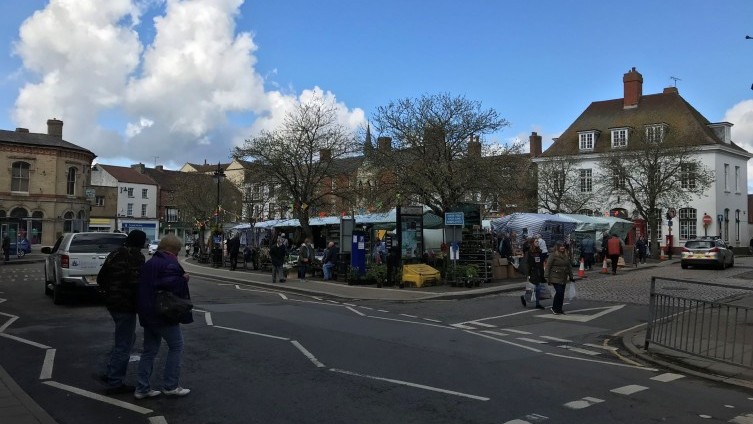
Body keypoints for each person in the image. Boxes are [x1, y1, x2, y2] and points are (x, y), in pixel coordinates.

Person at [135, 234, 192, 399]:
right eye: (178, 250)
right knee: (176, 346)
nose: (178, 254)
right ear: (172, 250)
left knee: (149, 351)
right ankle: (171, 385)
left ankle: (142, 388)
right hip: (163, 313)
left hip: (147, 312)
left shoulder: (150, 263)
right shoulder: (169, 263)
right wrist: (184, 279)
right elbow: (171, 287)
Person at [97, 230, 146, 395]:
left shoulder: (114, 254)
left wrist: (109, 293)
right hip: (125, 305)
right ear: (139, 243)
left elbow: (100, 278)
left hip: (112, 303)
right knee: (124, 343)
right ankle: (115, 382)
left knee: (124, 339)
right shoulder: (136, 258)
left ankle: (111, 373)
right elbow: (136, 285)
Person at [546, 241, 574, 315]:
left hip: (563, 277)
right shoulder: (553, 255)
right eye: (561, 246)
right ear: (557, 247)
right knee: (559, 292)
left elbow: (569, 267)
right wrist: (546, 277)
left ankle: (559, 309)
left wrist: (571, 276)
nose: (562, 247)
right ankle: (554, 308)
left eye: (563, 246)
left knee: (561, 294)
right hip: (555, 276)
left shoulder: (565, 255)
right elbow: (548, 266)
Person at [521, 237, 545, 309]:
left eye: (538, 241)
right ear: (532, 243)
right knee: (534, 288)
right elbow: (526, 263)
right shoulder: (529, 253)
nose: (537, 243)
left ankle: (537, 303)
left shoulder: (540, 251)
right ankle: (525, 297)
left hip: (539, 271)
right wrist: (528, 273)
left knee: (537, 288)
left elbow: (541, 262)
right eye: (536, 242)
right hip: (532, 271)